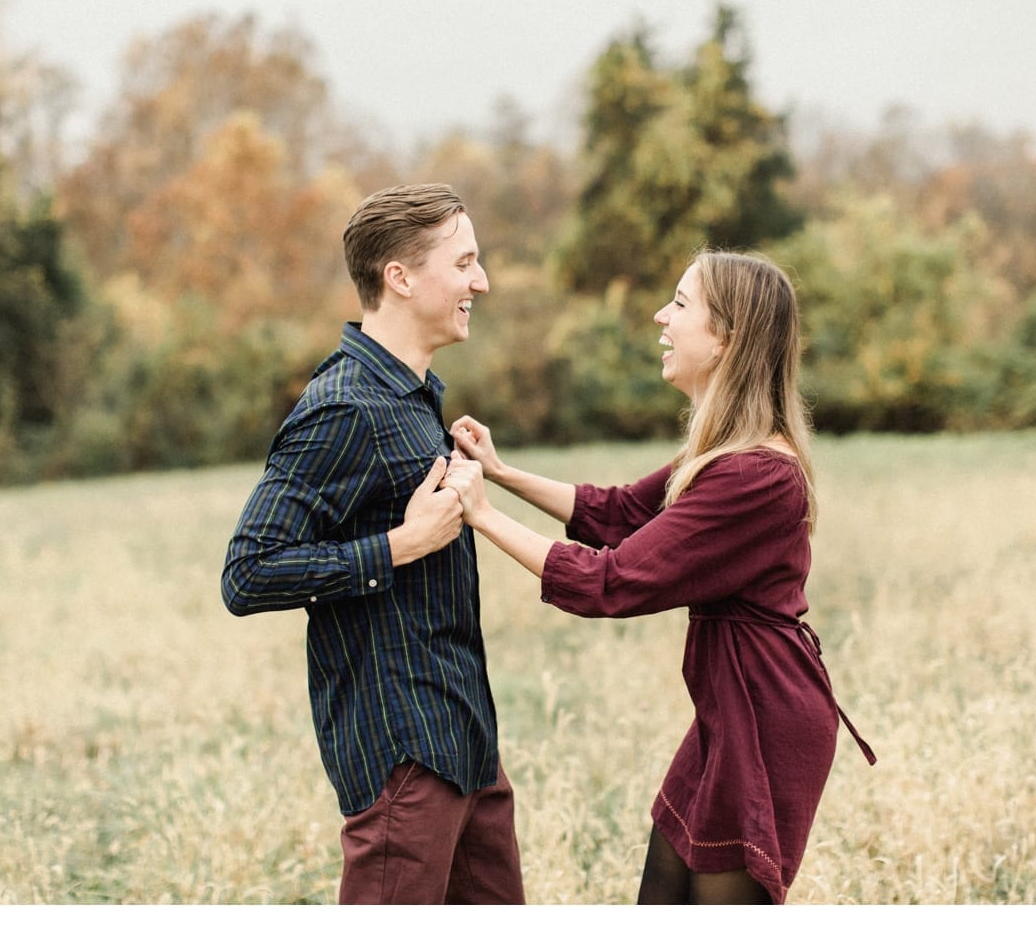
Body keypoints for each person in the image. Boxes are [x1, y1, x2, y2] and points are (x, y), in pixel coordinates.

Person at [440, 249, 875, 905]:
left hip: (765, 721)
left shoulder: (754, 476)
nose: (659, 318)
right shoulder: (724, 455)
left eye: (678, 304)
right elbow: (618, 512)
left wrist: (482, 515)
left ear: (725, 338)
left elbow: (610, 584)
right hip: (727, 712)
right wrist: (502, 474)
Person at [221, 183, 524, 905]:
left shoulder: (414, 395)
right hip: (403, 757)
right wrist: (401, 544)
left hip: (468, 744)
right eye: (464, 263)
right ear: (400, 276)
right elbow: (248, 572)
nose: (480, 281)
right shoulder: (342, 406)